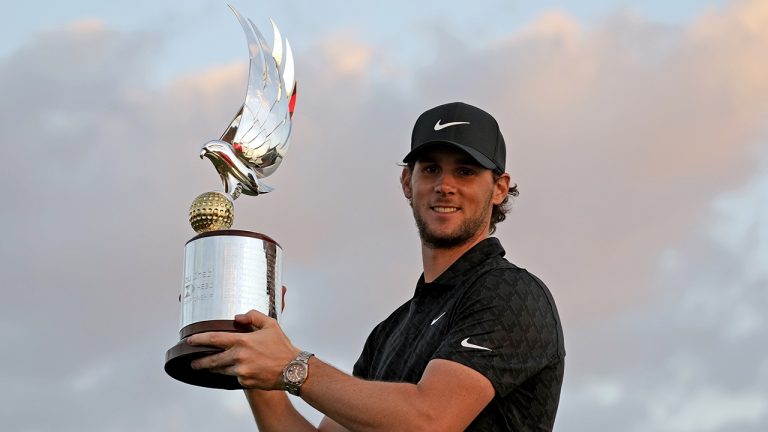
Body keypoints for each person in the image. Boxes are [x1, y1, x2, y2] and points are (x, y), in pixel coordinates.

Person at [188, 102, 566, 431]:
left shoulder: (509, 294)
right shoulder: (390, 333)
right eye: (431, 169)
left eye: (465, 171)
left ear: (499, 187)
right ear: (407, 181)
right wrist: (253, 355)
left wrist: (291, 365)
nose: (445, 186)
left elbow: (429, 420)